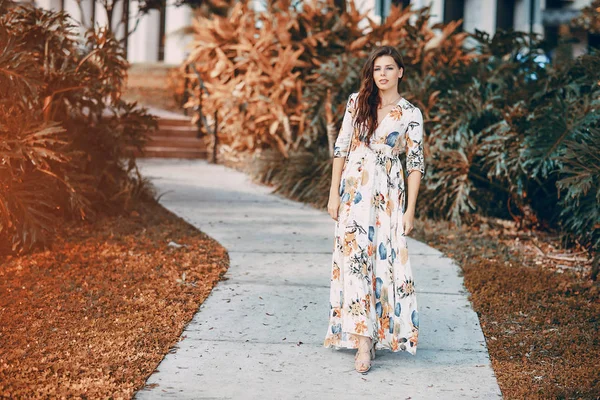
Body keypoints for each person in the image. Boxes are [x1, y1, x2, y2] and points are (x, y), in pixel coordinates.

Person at [323, 46, 425, 374]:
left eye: (389, 68)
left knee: (384, 261)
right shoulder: (358, 101)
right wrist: (333, 195)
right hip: (354, 190)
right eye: (377, 68)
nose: (382, 74)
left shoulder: (410, 113)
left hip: (388, 195)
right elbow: (342, 146)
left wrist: (410, 211)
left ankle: (377, 332)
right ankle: (363, 340)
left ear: (400, 72)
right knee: (354, 261)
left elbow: (415, 163)